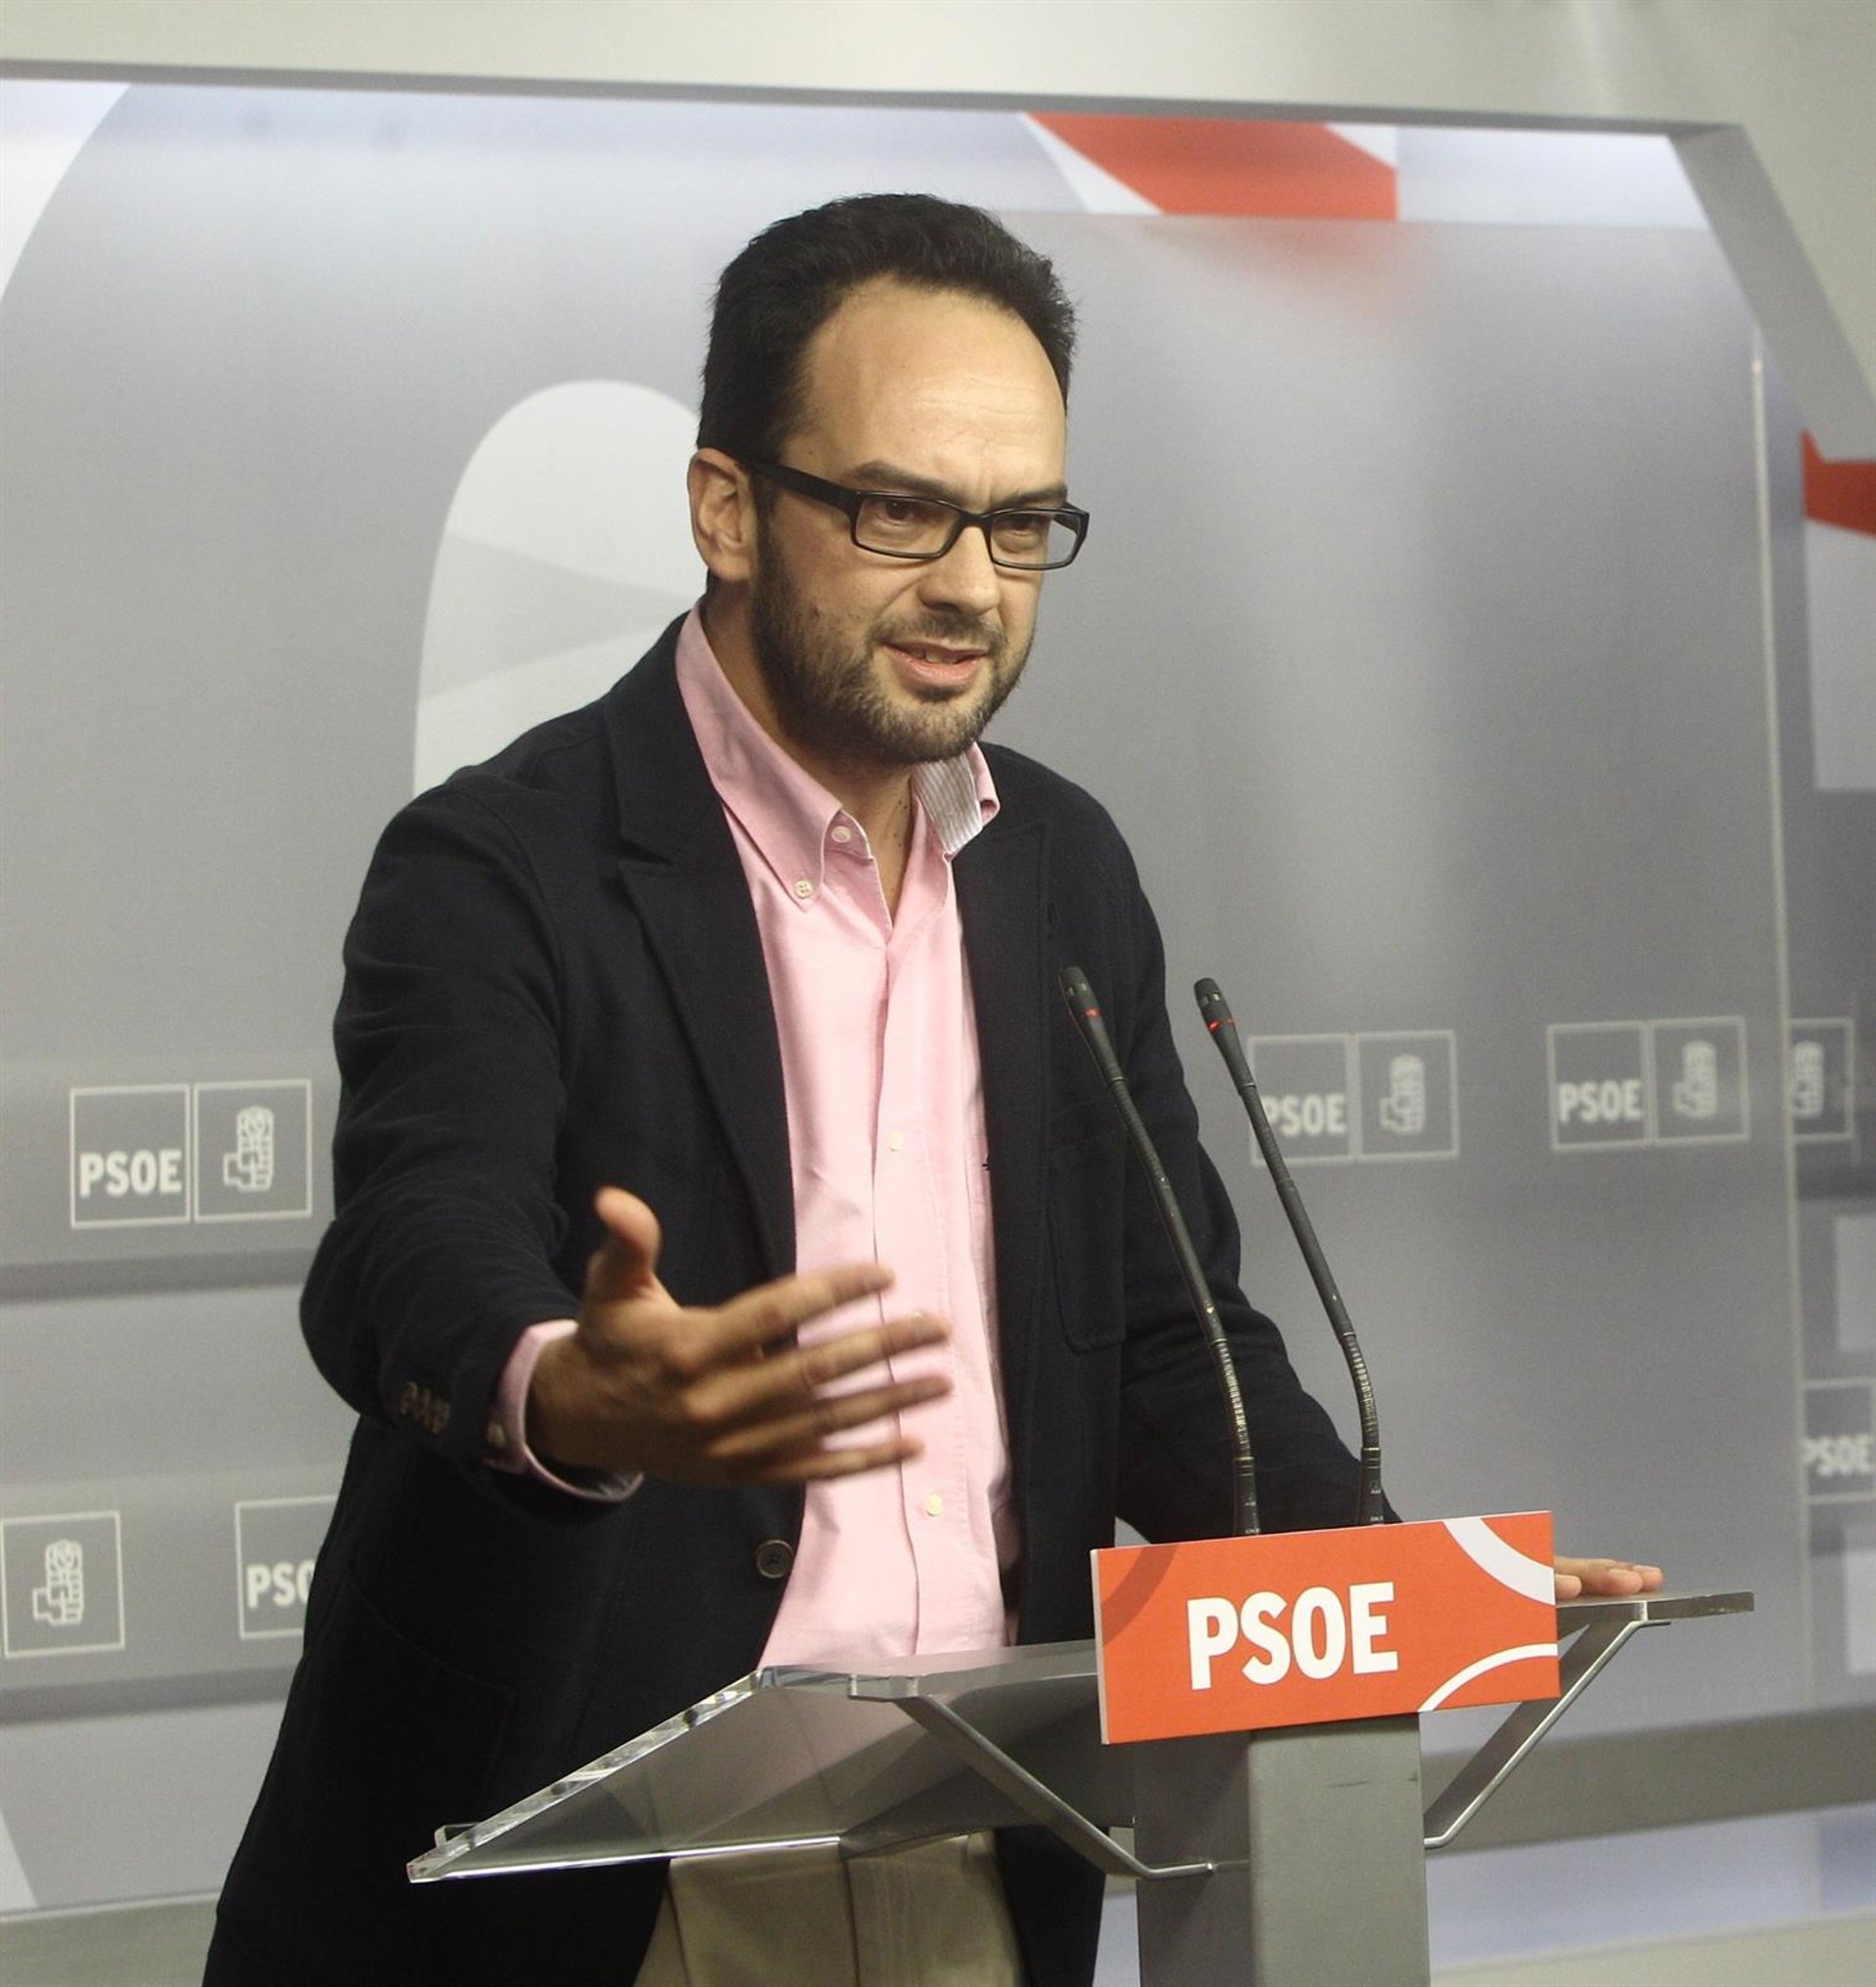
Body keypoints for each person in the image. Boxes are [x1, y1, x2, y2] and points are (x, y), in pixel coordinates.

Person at [206, 193, 1658, 1987]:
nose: (972, 583)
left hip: (983, 1846)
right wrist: (571, 1390)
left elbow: (1164, 1344)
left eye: (1021, 522)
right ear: (726, 508)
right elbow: (410, 1245)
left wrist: (1389, 1577)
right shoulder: (505, 859)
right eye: (900, 510)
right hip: (593, 1883)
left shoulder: (1060, 870)